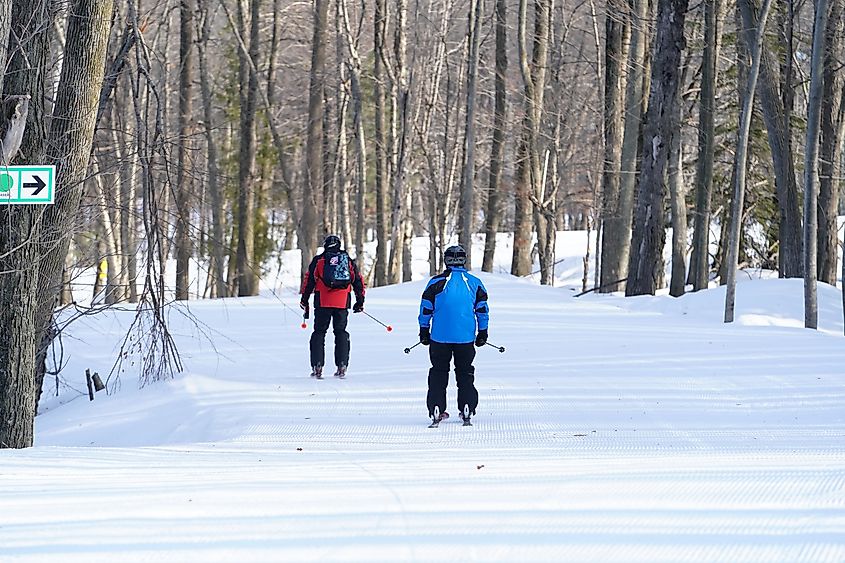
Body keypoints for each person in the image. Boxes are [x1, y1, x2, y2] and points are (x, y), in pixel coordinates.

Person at [418, 245, 489, 425]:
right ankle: (467, 406)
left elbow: (426, 308)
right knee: (465, 372)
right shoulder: (474, 282)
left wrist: (424, 330)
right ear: (464, 260)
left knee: (438, 372)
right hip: (465, 337)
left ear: (446, 260)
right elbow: (482, 309)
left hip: (439, 337)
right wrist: (483, 331)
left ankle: (436, 408)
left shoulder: (435, 282)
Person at [300, 234, 366, 378]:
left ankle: (317, 366)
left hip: (322, 301)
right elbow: (358, 281)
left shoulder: (319, 260)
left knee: (319, 333)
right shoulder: (347, 260)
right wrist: (360, 301)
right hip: (342, 303)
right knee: (341, 332)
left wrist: (304, 300)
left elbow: (309, 281)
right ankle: (342, 366)